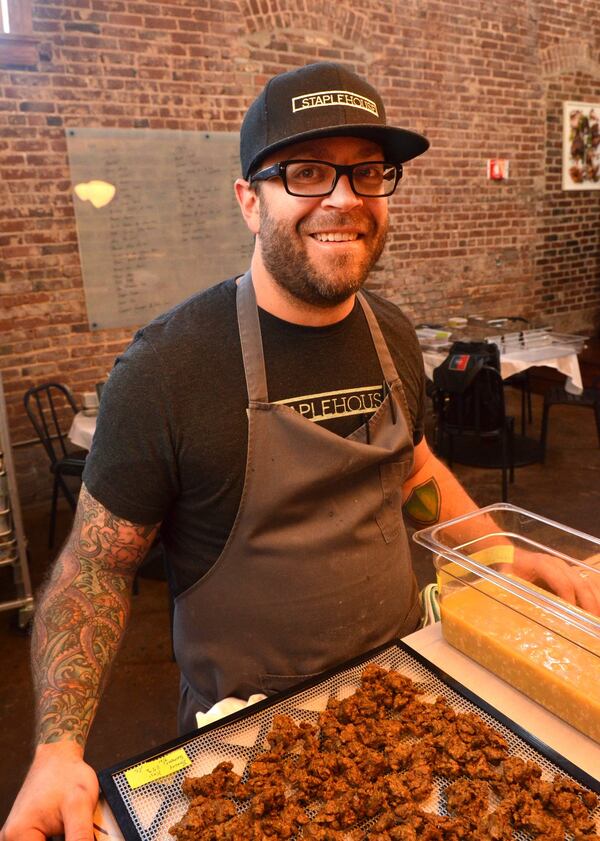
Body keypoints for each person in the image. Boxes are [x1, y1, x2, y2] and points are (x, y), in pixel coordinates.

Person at [3, 62, 599, 841]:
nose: (344, 198)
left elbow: (412, 470)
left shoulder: (389, 334)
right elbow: (98, 564)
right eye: (307, 172)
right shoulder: (167, 369)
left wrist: (500, 555)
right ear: (250, 200)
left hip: (408, 698)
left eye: (367, 173)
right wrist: (56, 748)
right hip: (254, 749)